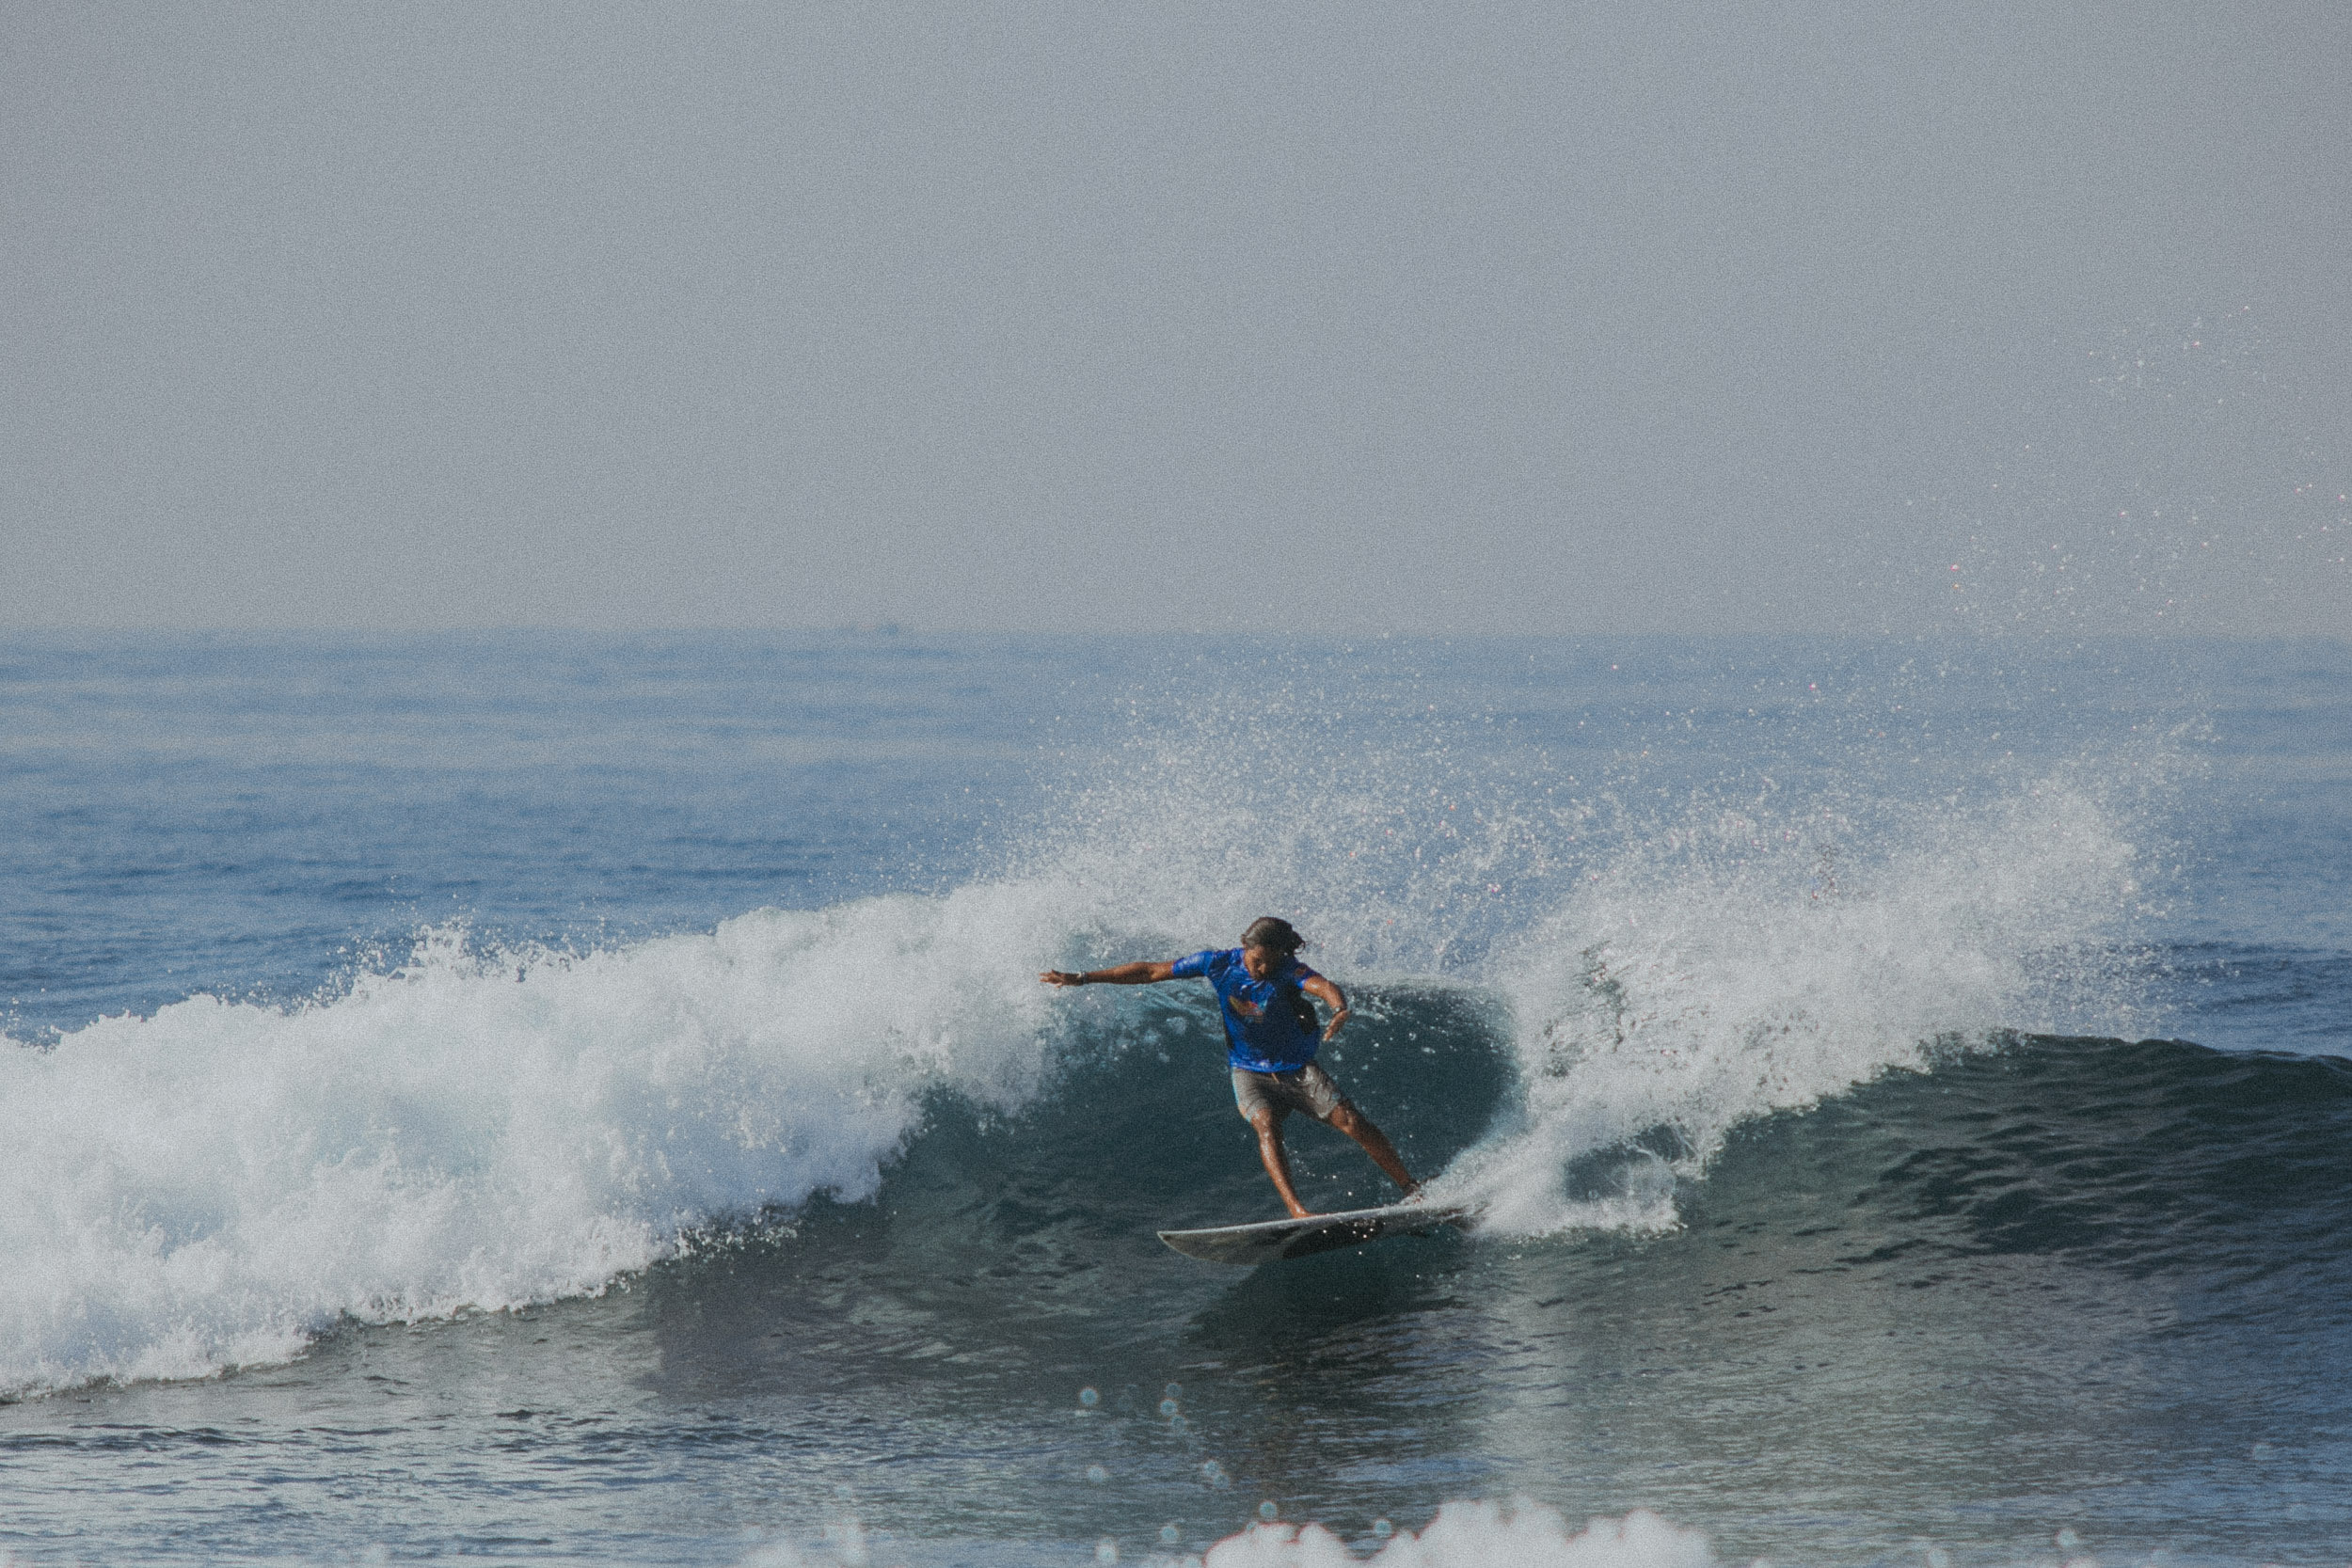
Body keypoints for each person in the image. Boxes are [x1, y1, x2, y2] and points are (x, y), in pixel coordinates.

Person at [1040, 915, 1420, 1219]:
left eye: (1272, 962)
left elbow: (1322, 985)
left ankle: (1411, 1189)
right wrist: (1085, 978)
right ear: (1245, 947)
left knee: (1353, 1122)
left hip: (1296, 1067)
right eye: (1258, 960)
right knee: (1267, 1128)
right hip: (1248, 1070)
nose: (1264, 969)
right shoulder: (1216, 963)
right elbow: (1151, 971)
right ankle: (1298, 1212)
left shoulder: (1288, 970)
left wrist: (1340, 1007)